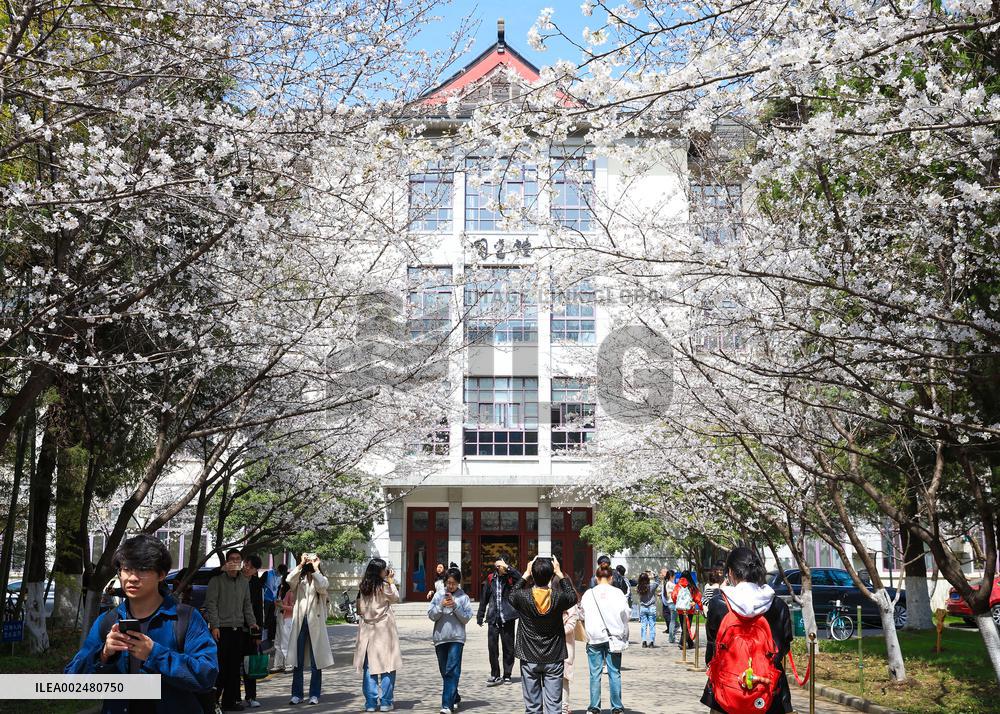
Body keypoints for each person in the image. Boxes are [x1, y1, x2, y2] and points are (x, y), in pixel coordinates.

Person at [66, 534, 218, 713]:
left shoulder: (186, 618)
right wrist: (104, 654)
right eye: (126, 569)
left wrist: (154, 654)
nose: (132, 577)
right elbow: (72, 681)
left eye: (142, 569)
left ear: (161, 574)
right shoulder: (108, 621)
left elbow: (207, 676)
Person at [701, 547, 793, 714]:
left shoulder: (718, 604)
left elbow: (712, 648)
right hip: (768, 692)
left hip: (726, 692)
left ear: (730, 572)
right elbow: (783, 647)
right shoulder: (778, 605)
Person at [509, 555, 578, 714]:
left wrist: (525, 575)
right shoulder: (558, 597)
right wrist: (560, 574)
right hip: (554, 655)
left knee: (532, 708)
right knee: (554, 707)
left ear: (533, 576)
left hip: (529, 655)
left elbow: (511, 595)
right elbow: (573, 597)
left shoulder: (523, 596)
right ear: (551, 576)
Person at [205, 548, 259, 711]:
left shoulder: (244, 581)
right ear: (227, 561)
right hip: (222, 630)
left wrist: (252, 623)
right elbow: (211, 604)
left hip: (239, 630)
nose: (235, 561)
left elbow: (247, 605)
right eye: (232, 558)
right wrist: (215, 625)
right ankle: (212, 702)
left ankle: (229, 702)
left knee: (234, 668)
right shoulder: (217, 580)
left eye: (238, 559)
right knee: (220, 667)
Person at [579, 564, 629, 714]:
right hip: (614, 637)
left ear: (596, 577)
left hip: (594, 637)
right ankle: (617, 707)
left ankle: (594, 707)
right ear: (611, 578)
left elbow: (582, 614)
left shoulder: (589, 594)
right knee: (614, 673)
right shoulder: (618, 593)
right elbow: (626, 614)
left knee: (595, 674)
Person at [354, 558, 402, 713]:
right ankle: (386, 702)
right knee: (388, 666)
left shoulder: (364, 586)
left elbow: (360, 609)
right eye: (384, 569)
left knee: (369, 668)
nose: (386, 571)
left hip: (368, 630)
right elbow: (396, 597)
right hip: (384, 629)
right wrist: (391, 581)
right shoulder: (385, 586)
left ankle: (370, 703)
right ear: (379, 571)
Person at [286, 552, 333, 705]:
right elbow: (288, 580)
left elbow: (323, 586)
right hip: (300, 622)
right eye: (308, 560)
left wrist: (316, 568)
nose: (310, 562)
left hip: (315, 623)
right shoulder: (299, 579)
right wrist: (300, 564)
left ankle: (314, 694)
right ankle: (297, 694)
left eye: (313, 560)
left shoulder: (320, 578)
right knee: (297, 661)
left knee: (316, 661)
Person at [428, 565, 473, 714]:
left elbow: (466, 618)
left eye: (454, 583)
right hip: (440, 638)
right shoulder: (438, 596)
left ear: (459, 583)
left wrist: (455, 606)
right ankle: (454, 696)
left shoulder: (464, 597)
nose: (451, 586)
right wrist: (441, 606)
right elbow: (431, 615)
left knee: (451, 670)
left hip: (457, 639)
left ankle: (446, 705)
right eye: (448, 583)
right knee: (444, 670)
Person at [476, 552, 521, 685]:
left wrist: (508, 568)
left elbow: (521, 579)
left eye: (502, 564)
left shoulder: (511, 578)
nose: (500, 567)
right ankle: (495, 674)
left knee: (508, 648)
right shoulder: (491, 578)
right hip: (493, 618)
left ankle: (507, 674)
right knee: (492, 648)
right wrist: (480, 615)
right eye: (498, 564)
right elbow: (484, 598)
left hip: (507, 618)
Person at [241, 553, 264, 709]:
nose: (247, 569)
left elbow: (258, 609)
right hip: (233, 627)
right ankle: (233, 697)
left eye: (251, 567)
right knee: (232, 665)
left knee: (250, 663)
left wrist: (258, 633)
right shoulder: (235, 578)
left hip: (251, 629)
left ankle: (251, 696)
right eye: (246, 565)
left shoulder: (256, 583)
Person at [561, 583, 582, 714]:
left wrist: (552, 631)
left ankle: (563, 707)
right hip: (550, 647)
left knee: (564, 679)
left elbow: (570, 626)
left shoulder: (571, 605)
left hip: (565, 647)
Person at [672, 571, 702, 651]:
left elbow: (673, 595)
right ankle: (682, 643)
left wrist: (678, 603)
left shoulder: (678, 586)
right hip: (690, 610)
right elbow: (698, 597)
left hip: (681, 610)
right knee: (687, 627)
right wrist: (700, 607)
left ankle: (690, 643)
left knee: (684, 627)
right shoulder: (692, 586)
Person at [271, 577, 294, 672]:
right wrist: (279, 604)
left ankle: (289, 664)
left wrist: (281, 605)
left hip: (288, 618)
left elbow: (294, 608)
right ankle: (278, 664)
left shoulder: (292, 592)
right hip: (281, 617)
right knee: (278, 641)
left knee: (285, 641)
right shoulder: (282, 590)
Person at [637, 572, 659, 648]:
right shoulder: (652, 586)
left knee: (643, 625)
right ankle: (651, 642)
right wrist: (654, 574)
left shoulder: (639, 587)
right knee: (652, 625)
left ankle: (644, 641)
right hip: (651, 607)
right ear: (647, 579)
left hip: (643, 608)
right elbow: (657, 581)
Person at [658, 568, 676, 641]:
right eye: (674, 575)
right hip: (672, 603)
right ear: (671, 576)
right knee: (673, 621)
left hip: (669, 602)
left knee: (672, 620)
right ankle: (671, 637)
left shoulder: (668, 583)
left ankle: (671, 637)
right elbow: (669, 593)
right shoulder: (671, 584)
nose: (675, 576)